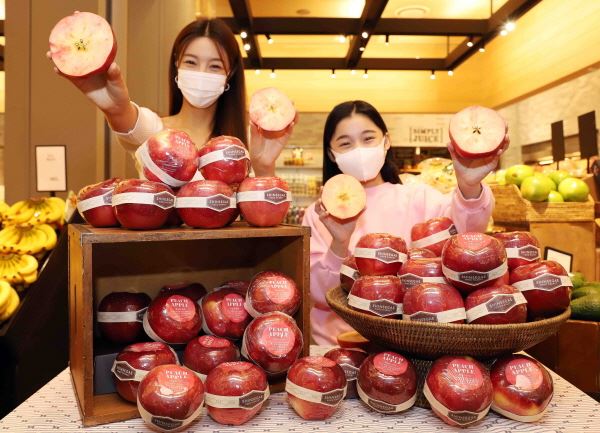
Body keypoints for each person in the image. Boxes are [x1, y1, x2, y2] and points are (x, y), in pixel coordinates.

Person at [303, 100, 505, 345]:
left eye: (368, 139)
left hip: (416, 343)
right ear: (331, 153)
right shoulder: (320, 215)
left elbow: (467, 247)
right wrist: (339, 243)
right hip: (337, 345)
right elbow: (319, 294)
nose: (359, 150)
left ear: (386, 141)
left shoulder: (420, 198)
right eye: (345, 143)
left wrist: (469, 185)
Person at [49, 16, 288, 176]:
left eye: (214, 66)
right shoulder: (156, 133)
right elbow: (129, 120)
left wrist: (264, 167)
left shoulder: (246, 144)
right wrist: (116, 109)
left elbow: (266, 221)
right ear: (177, 65)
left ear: (230, 74)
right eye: (191, 62)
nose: (201, 73)